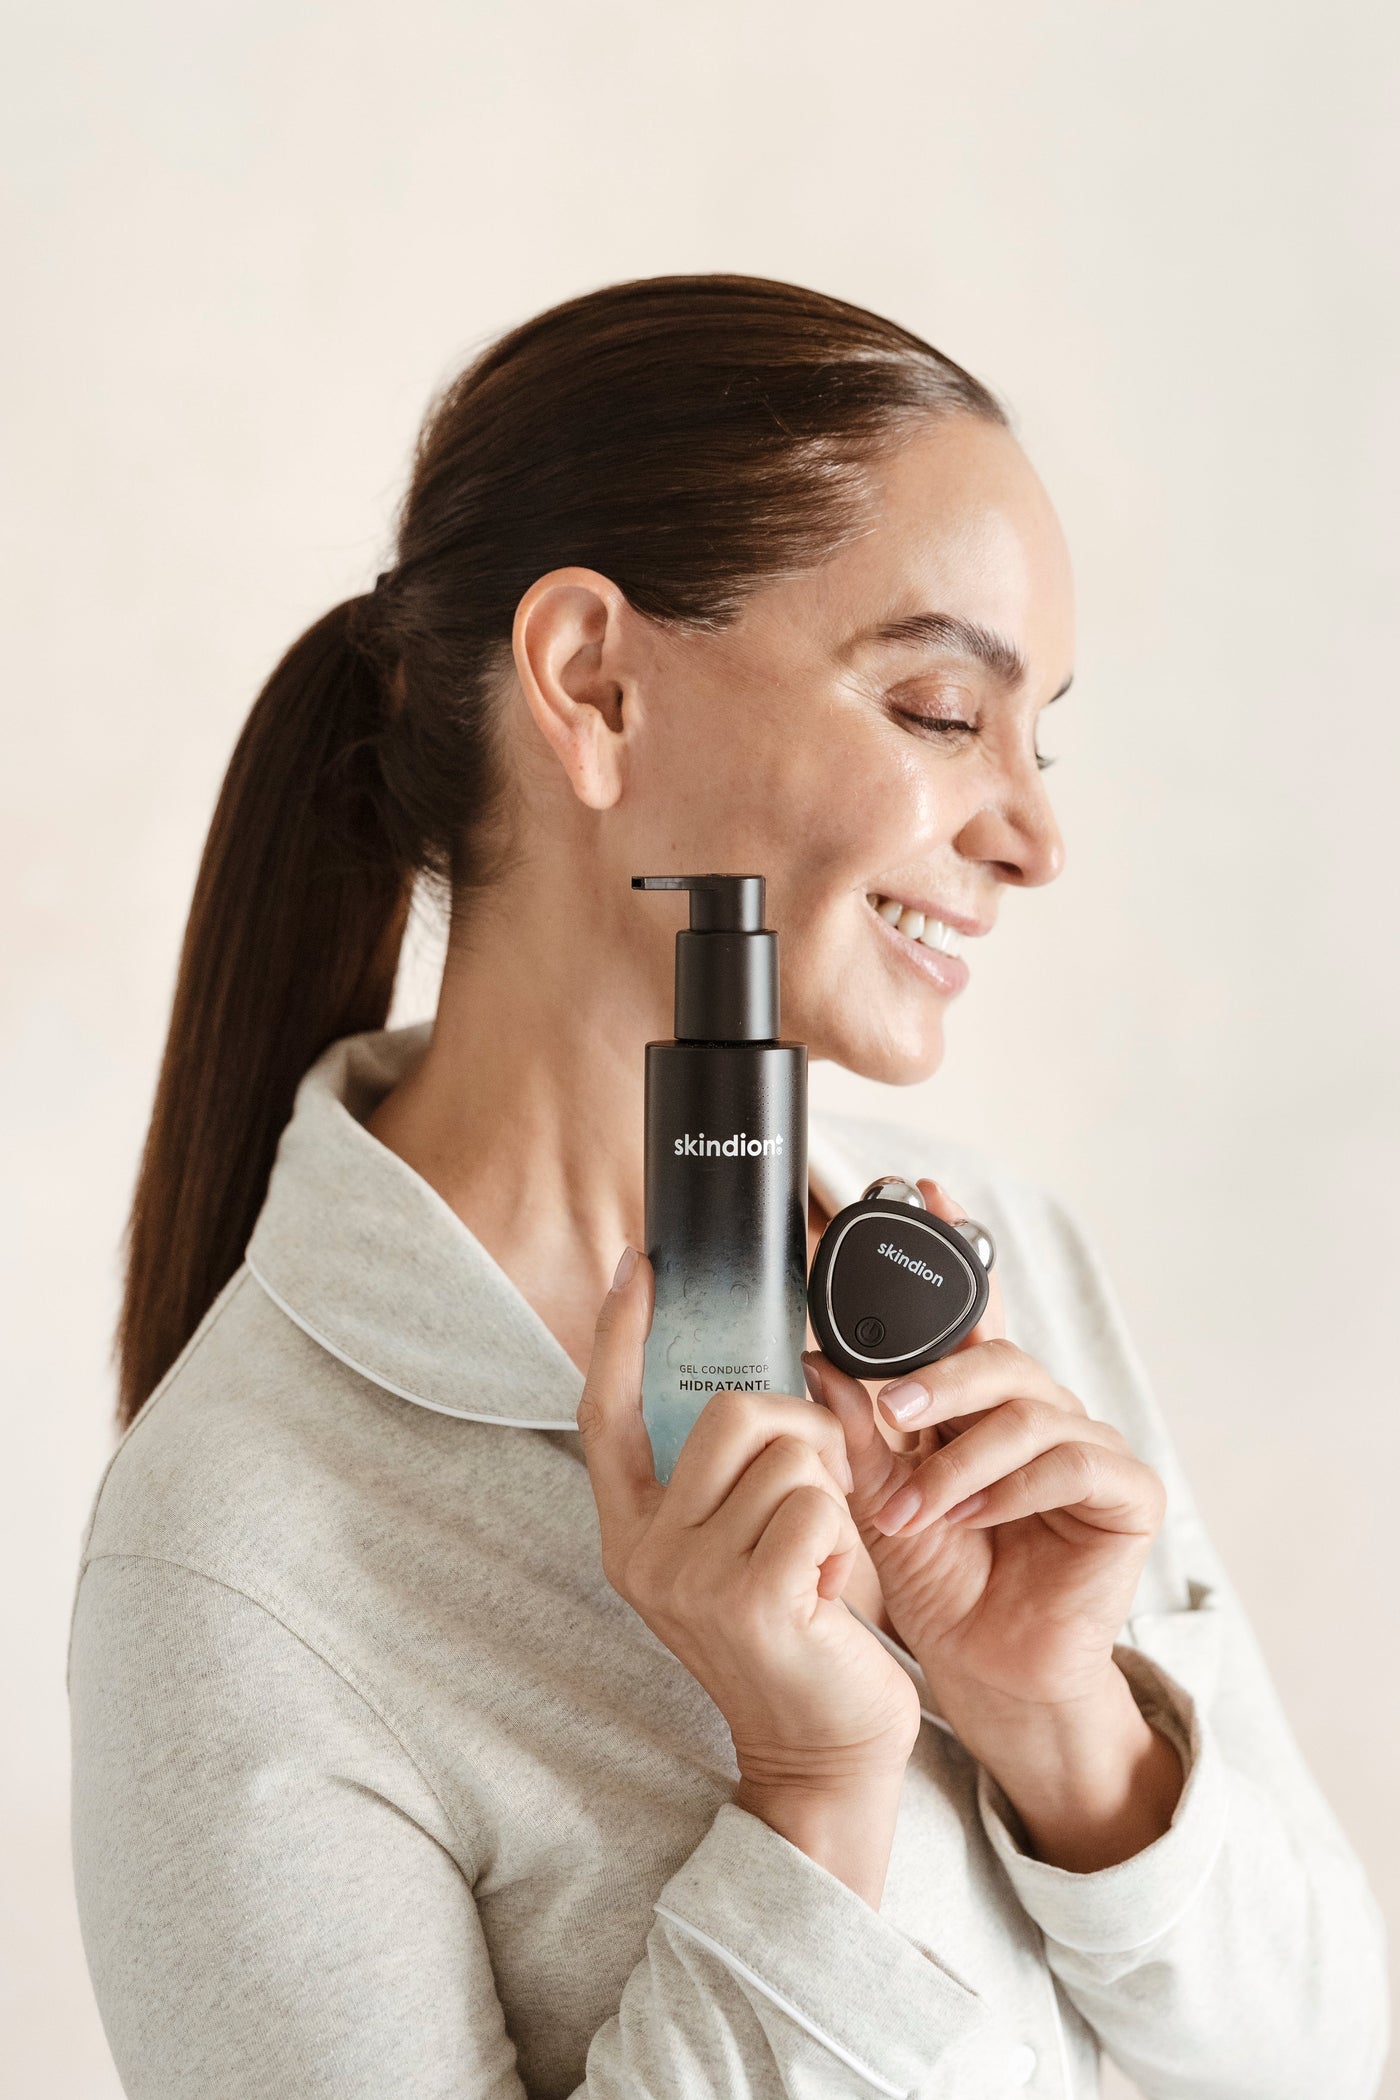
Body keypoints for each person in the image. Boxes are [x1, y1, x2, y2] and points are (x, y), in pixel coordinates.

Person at [69, 273, 1387, 2099]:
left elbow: (1325, 2059)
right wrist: (812, 1795)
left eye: (1040, 737)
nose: (1034, 834)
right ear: (594, 686)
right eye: (942, 709)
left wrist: (1070, 1732)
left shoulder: (986, 1255)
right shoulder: (235, 1564)